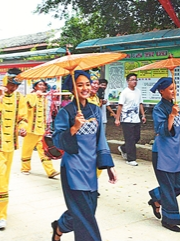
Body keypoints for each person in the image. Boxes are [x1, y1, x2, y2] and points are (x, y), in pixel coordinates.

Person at [51, 70, 117, 241]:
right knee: (85, 215)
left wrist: (109, 166)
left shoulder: (95, 110)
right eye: (80, 85)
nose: (85, 88)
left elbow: (100, 139)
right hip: (73, 169)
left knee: (86, 210)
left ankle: (59, 227)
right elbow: (57, 140)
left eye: (87, 84)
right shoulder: (65, 113)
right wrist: (73, 128)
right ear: (72, 89)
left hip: (90, 169)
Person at [147, 77, 180, 233]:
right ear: (161, 91)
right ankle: (169, 220)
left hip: (175, 153)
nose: (173, 91)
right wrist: (171, 115)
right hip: (162, 153)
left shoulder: (176, 107)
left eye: (174, 88)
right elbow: (161, 131)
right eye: (170, 89)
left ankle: (156, 198)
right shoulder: (159, 109)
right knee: (169, 188)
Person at [0, 68, 28, 230]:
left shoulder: (19, 98)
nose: (13, 88)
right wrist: (0, 100)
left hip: (10, 145)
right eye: (11, 84)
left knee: (3, 177)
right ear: (5, 81)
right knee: (1, 179)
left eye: (16, 85)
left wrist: (23, 127)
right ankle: (1, 215)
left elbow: (23, 118)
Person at [21, 79, 59, 178]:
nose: (42, 87)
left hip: (41, 129)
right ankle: (25, 168)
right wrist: (35, 96)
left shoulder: (44, 98)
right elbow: (29, 105)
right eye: (40, 85)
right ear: (35, 87)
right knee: (27, 149)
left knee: (43, 150)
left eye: (43, 85)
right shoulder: (30, 96)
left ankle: (50, 171)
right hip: (30, 129)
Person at [115, 73, 146, 166]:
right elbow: (120, 106)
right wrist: (117, 118)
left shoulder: (138, 92)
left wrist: (143, 115)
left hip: (136, 119)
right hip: (126, 119)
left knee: (137, 137)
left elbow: (140, 104)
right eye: (132, 79)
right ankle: (131, 159)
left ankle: (123, 148)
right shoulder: (124, 92)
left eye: (136, 79)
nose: (134, 81)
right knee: (130, 139)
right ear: (128, 81)